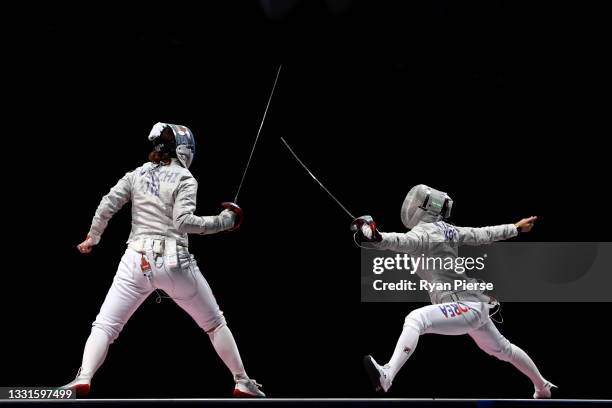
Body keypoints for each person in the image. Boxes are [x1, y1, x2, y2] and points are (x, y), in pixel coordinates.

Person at [62, 123, 265, 397]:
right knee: (214, 324)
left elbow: (108, 203)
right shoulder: (184, 178)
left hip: (135, 261)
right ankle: (242, 381)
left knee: (106, 325)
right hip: (174, 262)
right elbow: (183, 222)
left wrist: (93, 236)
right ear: (183, 149)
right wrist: (224, 221)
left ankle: (83, 376)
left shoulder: (136, 175)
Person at [354, 184, 555, 399]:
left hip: (465, 306)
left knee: (416, 318)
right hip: (473, 305)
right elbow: (483, 234)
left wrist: (378, 237)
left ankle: (388, 374)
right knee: (503, 349)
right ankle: (542, 387)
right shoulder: (447, 230)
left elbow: (400, 241)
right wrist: (515, 228)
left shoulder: (424, 233)